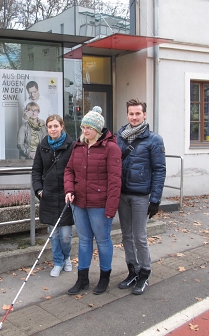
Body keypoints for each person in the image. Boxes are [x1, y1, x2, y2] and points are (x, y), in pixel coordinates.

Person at [64, 107, 122, 295]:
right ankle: (83, 279)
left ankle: (104, 277)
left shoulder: (111, 148)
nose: (85, 131)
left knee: (103, 240)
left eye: (89, 128)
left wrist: (111, 208)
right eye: (83, 127)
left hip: (100, 204)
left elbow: (115, 180)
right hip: (79, 202)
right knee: (84, 240)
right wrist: (70, 189)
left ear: (98, 129)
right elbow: (69, 170)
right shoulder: (78, 146)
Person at [116, 98, 166, 295]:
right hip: (123, 194)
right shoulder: (119, 137)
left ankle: (145, 272)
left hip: (141, 196)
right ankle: (133, 270)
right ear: (127, 115)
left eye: (138, 113)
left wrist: (155, 200)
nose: (134, 117)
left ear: (144, 115)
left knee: (140, 236)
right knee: (126, 235)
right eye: (131, 113)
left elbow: (160, 169)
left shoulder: (154, 140)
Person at [32, 114, 75, 277]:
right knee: (54, 234)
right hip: (48, 196)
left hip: (65, 195)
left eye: (56, 126)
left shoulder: (71, 145)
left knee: (65, 235)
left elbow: (76, 169)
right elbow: (36, 170)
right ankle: (58, 262)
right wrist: (39, 190)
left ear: (62, 126)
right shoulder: (43, 146)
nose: (53, 129)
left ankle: (67, 257)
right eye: (50, 127)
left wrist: (72, 190)